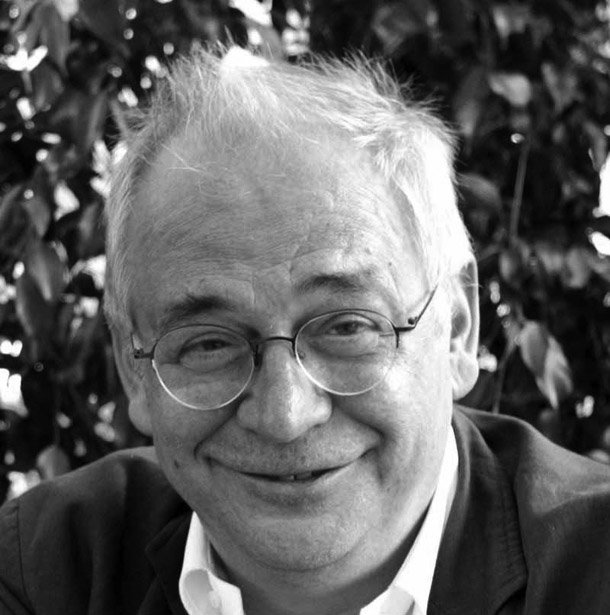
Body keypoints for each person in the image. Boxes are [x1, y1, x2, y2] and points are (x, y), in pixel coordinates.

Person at [1, 46, 610, 615]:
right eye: (209, 343)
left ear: (456, 328)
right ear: (135, 370)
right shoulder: (42, 572)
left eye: (346, 327)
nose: (285, 416)